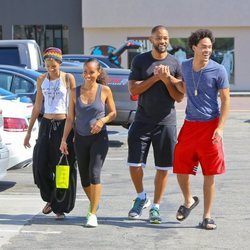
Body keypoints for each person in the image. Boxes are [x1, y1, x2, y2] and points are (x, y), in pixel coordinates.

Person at [173, 29, 230, 230]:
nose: (207, 50)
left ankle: (207, 216)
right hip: (190, 125)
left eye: (209, 47)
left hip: (211, 125)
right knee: (179, 165)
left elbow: (225, 100)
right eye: (203, 46)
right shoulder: (185, 66)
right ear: (194, 47)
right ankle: (189, 200)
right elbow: (184, 87)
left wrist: (220, 128)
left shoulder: (218, 70)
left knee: (210, 172)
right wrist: (168, 80)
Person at [127, 25, 184, 224]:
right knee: (134, 164)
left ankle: (156, 207)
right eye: (159, 37)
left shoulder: (175, 63)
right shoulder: (140, 60)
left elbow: (179, 97)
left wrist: (167, 79)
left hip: (166, 123)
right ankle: (141, 197)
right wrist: (154, 78)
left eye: (166, 38)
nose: (163, 41)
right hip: (142, 120)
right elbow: (133, 89)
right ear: (151, 39)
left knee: (163, 167)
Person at [60, 58, 116, 227]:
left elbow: (113, 113)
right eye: (85, 71)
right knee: (84, 178)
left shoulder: (105, 90)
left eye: (91, 72)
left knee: (94, 173)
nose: (88, 75)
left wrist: (102, 121)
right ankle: (94, 202)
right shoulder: (74, 92)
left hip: (100, 139)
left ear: (98, 73)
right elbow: (70, 118)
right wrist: (64, 140)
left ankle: (92, 213)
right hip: (80, 138)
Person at [23, 47, 76, 220]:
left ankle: (59, 206)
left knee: (61, 167)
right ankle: (51, 199)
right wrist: (29, 132)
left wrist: (66, 137)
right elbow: (37, 107)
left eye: (53, 66)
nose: (50, 69)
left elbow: (71, 109)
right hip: (46, 124)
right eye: (47, 66)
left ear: (59, 63)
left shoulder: (68, 78)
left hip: (63, 125)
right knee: (39, 164)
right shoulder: (41, 79)